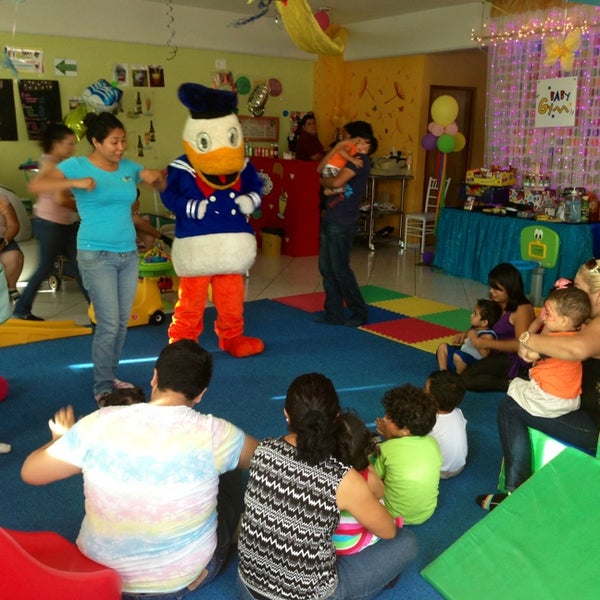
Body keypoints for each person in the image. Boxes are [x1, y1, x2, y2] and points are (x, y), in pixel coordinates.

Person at [21, 339, 259, 597]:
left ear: (154, 377)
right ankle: (235, 537)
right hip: (181, 580)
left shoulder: (98, 422)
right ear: (201, 393)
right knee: (232, 469)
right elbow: (265, 459)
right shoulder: (217, 433)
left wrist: (58, 441)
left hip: (103, 576)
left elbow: (30, 473)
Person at [237, 372, 417, 600]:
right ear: (336, 418)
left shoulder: (263, 449)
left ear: (286, 414)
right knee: (406, 541)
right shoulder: (344, 478)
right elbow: (387, 531)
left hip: (247, 587)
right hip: (310, 596)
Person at [28, 112, 166, 403]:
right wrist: (75, 184)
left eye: (123, 140)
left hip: (128, 254)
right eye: (114, 142)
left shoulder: (128, 166)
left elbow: (151, 180)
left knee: (119, 323)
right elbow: (37, 186)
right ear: (96, 141)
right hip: (96, 254)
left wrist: (156, 178)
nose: (120, 147)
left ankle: (110, 375)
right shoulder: (76, 165)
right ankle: (102, 387)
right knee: (108, 323)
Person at [477, 259, 600, 511]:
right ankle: (517, 488)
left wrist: (528, 339)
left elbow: (575, 348)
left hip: (594, 427)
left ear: (597, 296)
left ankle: (515, 493)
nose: (570, 291)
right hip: (577, 403)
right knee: (515, 399)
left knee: (510, 408)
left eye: (576, 287)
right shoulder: (585, 320)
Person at [13, 124, 90, 321]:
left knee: (80, 266)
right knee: (46, 267)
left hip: (63, 223)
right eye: (69, 143)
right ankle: (21, 309)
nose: (72, 147)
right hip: (51, 224)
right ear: (56, 144)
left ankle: (98, 311)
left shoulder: (58, 163)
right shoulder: (52, 164)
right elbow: (58, 198)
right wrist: (84, 205)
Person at [316, 121, 378, 327]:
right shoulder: (345, 155)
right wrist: (335, 148)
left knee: (340, 268)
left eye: (347, 136)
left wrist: (324, 183)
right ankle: (333, 312)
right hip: (331, 217)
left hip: (342, 221)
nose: (344, 139)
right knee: (326, 267)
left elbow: (333, 182)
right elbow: (320, 168)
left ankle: (359, 311)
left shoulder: (360, 161)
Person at [507, 285, 590, 419]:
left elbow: (528, 356)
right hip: (572, 399)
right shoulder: (578, 338)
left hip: (551, 399)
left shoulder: (554, 343)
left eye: (548, 314)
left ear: (563, 321)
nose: (544, 318)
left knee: (514, 386)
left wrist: (525, 343)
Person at [333, 412, 404, 555]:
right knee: (381, 504)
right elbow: (380, 491)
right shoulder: (365, 478)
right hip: (347, 543)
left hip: (326, 538)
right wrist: (366, 463)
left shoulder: (319, 469)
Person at [459, 262, 536, 391]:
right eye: (491, 287)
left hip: (509, 358)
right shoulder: (495, 303)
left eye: (497, 289)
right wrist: (466, 333)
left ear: (510, 288)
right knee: (445, 351)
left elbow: (521, 344)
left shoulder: (522, 309)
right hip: (489, 350)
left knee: (467, 379)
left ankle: (512, 384)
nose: (491, 291)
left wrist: (486, 343)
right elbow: (482, 322)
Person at [374, 384, 442, 525]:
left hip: (393, 514)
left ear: (405, 430)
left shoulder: (387, 449)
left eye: (389, 418)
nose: (385, 419)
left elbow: (375, 477)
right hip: (426, 512)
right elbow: (403, 455)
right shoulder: (433, 443)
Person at [436, 298, 502, 374]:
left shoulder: (488, 334)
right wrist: (462, 337)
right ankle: (443, 373)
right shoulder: (475, 329)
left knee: (458, 356)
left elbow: (485, 354)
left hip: (472, 362)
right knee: (442, 347)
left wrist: (474, 338)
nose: (471, 315)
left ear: (484, 322)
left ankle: (459, 378)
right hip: (461, 354)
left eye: (475, 314)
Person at [426, 370, 468, 479]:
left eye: (425, 390)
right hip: (459, 466)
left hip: (439, 470)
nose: (422, 392)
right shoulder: (458, 412)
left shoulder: (429, 421)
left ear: (434, 400)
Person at [0, 189, 23, 303]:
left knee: (14, 256)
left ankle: (11, 289)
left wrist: (4, 242)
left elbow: (13, 225)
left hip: (2, 240)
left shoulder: (1, 198)